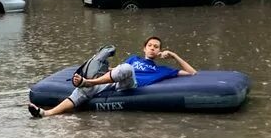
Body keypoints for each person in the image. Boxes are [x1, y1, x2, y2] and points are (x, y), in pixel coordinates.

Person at [28, 36, 196, 118]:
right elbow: (116, 70)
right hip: (114, 81)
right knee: (83, 91)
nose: (152, 48)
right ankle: (46, 114)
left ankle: (88, 82)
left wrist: (174, 55)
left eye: (156, 47)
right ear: (144, 48)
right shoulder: (133, 58)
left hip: (131, 85)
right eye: (150, 45)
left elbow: (191, 73)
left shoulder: (163, 69)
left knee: (127, 69)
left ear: (159, 51)